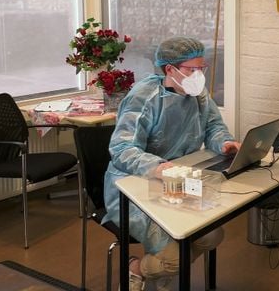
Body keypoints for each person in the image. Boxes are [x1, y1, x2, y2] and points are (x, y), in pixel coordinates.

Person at [103, 36, 240, 291]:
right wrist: (157, 167)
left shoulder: (196, 93)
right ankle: (137, 269)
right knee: (175, 256)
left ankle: (152, 271)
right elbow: (121, 149)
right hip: (133, 186)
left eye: (202, 68)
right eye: (192, 69)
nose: (199, 75)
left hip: (178, 180)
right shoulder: (145, 97)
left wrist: (224, 143)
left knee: (211, 234)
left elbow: (213, 126)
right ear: (170, 69)